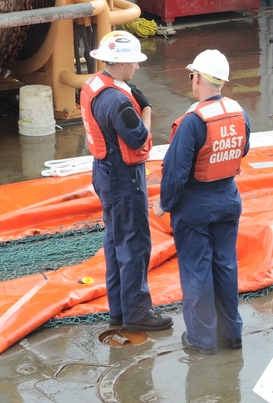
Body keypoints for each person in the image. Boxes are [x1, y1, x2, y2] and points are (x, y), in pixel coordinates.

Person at [155, 49, 251, 355]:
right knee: (225, 266)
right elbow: (243, 149)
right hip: (228, 198)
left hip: (195, 204)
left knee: (197, 271)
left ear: (197, 78)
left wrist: (163, 204)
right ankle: (230, 335)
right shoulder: (238, 112)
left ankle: (202, 340)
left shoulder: (193, 121)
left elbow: (176, 172)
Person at [79, 30, 172, 332]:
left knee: (116, 240)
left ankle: (119, 309)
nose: (138, 68)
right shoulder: (117, 103)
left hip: (104, 172)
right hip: (123, 177)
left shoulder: (95, 86)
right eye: (133, 62)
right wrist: (145, 112)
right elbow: (139, 137)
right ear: (120, 64)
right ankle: (137, 313)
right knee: (134, 244)